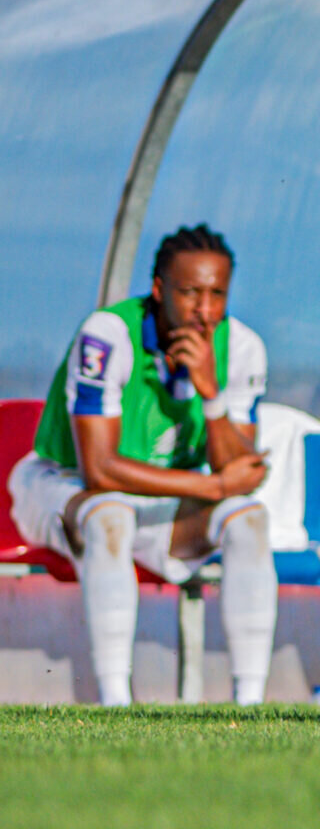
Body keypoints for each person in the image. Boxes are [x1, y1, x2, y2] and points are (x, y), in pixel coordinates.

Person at [8, 225, 275, 706]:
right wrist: (215, 487)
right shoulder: (107, 336)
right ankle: (117, 702)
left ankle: (250, 702)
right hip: (61, 485)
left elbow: (239, 473)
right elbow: (99, 470)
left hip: (163, 500)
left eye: (217, 294)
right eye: (190, 292)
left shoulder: (242, 347)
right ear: (158, 289)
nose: (205, 310)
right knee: (109, 514)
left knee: (249, 519)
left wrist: (212, 396)